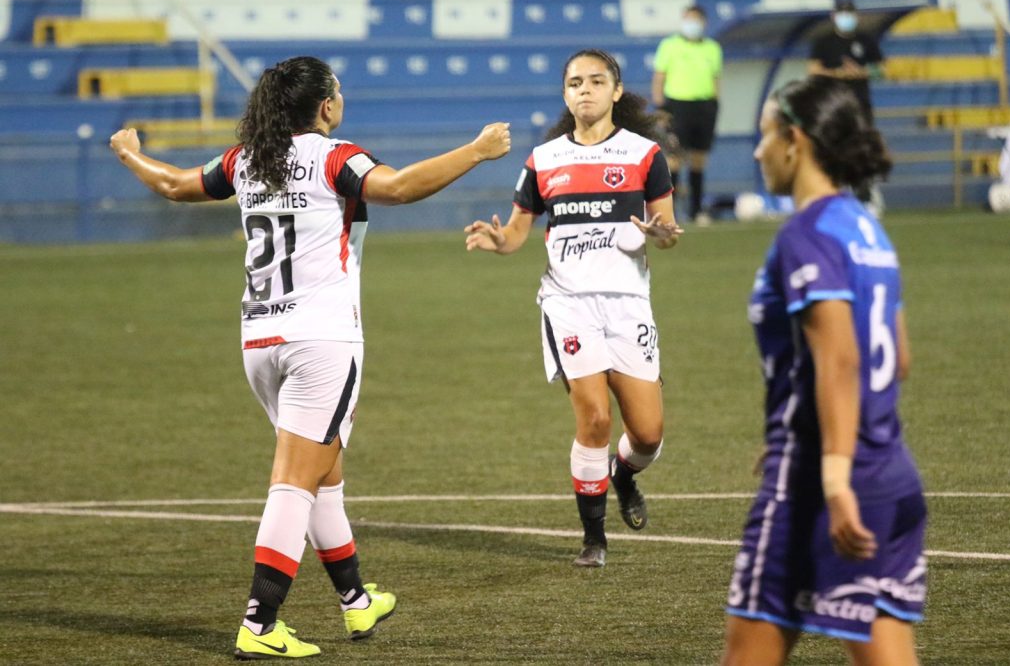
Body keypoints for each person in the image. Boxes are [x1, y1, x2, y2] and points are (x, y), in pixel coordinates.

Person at [109, 56, 511, 660]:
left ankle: (356, 602)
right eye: (338, 92)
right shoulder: (336, 156)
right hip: (321, 340)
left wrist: (128, 152)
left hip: (259, 343)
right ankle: (260, 621)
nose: (341, 99)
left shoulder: (247, 159)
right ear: (325, 106)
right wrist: (476, 150)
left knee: (325, 474)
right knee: (295, 481)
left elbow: (171, 184)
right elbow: (398, 188)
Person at [721, 75, 926, 665]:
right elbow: (898, 359)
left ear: (795, 141)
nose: (758, 151)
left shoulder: (805, 235)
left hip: (818, 482)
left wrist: (832, 478)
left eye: (764, 136)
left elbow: (839, 360)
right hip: (893, 474)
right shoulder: (867, 228)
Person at [465, 49, 682, 568]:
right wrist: (500, 240)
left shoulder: (644, 155)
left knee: (648, 435)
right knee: (594, 418)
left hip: (629, 304)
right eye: (575, 83)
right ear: (565, 94)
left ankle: (623, 474)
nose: (584, 89)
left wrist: (661, 234)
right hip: (567, 303)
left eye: (595, 80)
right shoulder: (544, 159)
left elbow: (666, 230)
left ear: (616, 90)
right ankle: (594, 539)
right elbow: (519, 230)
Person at [809, 0, 886, 212]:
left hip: (860, 105)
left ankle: (865, 197)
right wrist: (838, 74)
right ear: (834, 17)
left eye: (849, 14)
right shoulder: (824, 42)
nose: (846, 18)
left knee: (861, 150)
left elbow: (882, 70)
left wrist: (859, 72)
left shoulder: (865, 41)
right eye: (842, 14)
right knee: (834, 150)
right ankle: (834, 199)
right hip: (833, 106)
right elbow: (814, 70)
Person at [651, 4, 723, 226]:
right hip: (677, 105)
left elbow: (716, 79)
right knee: (674, 159)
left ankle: (696, 210)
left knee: (699, 160)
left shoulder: (712, 48)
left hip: (704, 106)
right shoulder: (669, 46)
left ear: (704, 23)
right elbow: (660, 76)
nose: (692, 25)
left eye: (696, 20)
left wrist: (715, 103)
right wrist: (660, 105)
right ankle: (670, 213)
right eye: (688, 19)